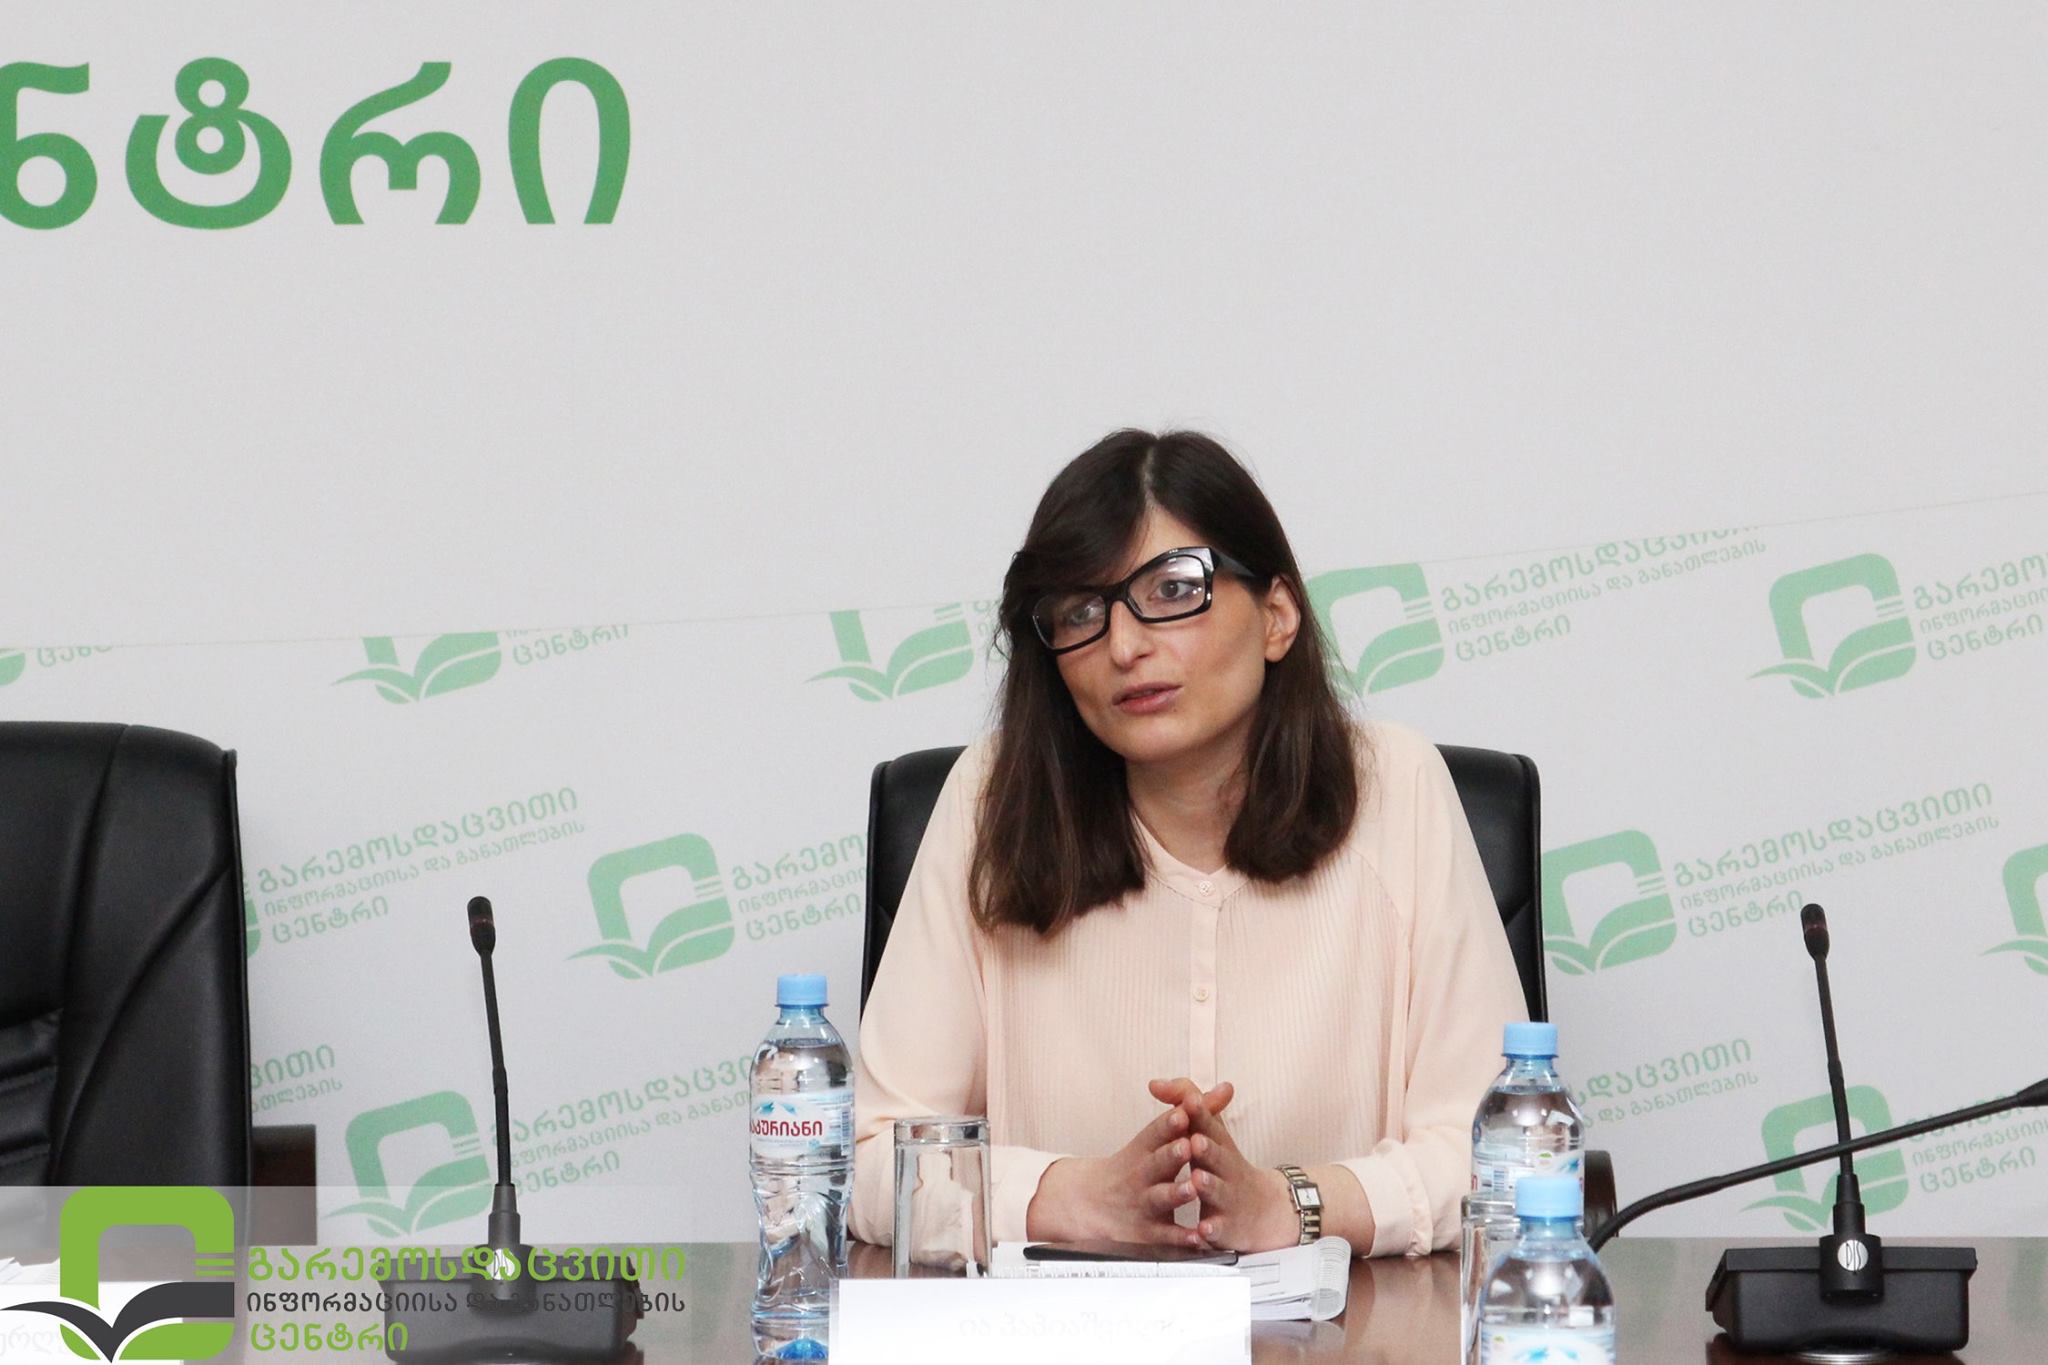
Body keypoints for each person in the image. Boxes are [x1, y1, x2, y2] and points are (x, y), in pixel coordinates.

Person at [849, 429, 1526, 1257]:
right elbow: (871, 1159)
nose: (1124, 646)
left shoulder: (1399, 788)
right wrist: (1071, 1197)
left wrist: (1292, 1205)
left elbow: (1506, 1154)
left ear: (1277, 615)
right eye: (1080, 612)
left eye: (1173, 589)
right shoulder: (991, 801)